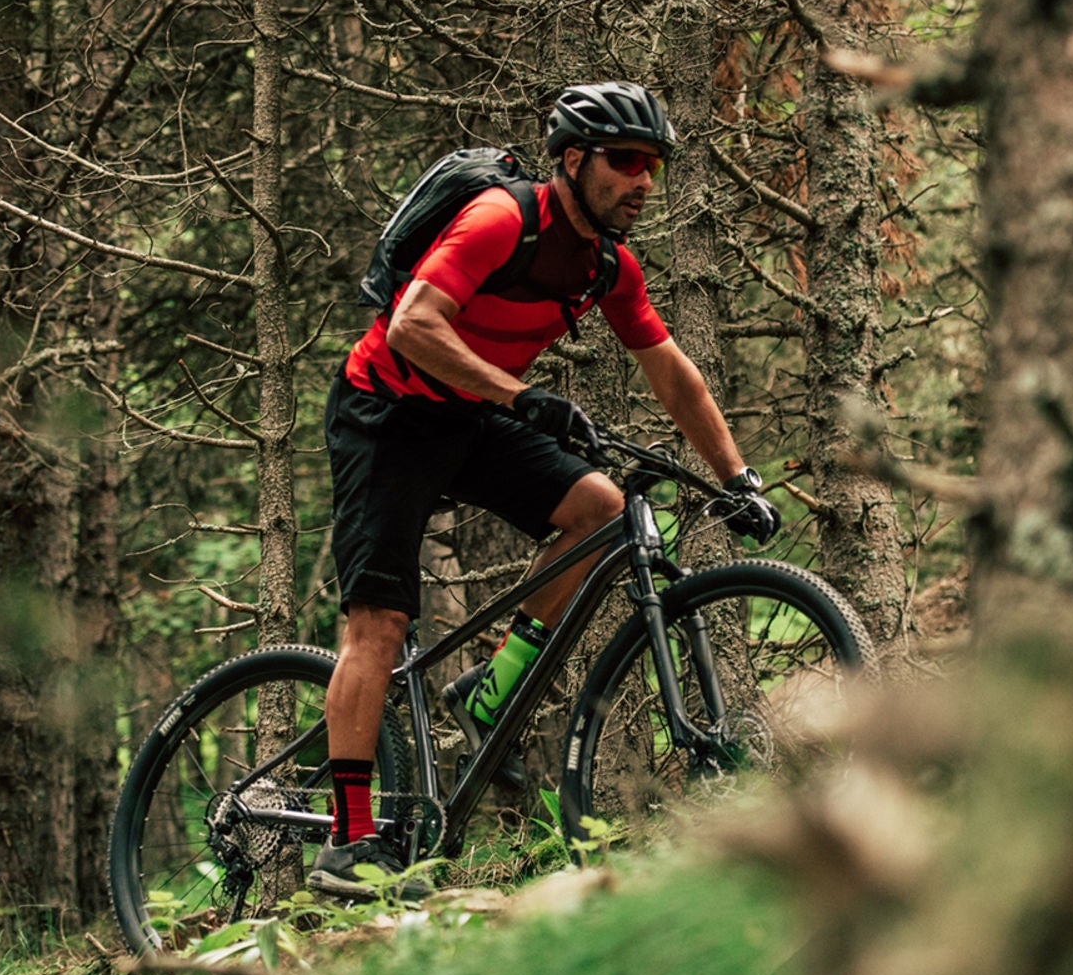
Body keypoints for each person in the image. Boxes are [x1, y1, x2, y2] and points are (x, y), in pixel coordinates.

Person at [310, 82, 777, 898]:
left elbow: (673, 373)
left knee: (599, 508)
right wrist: (522, 397)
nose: (643, 180)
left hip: (467, 416)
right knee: (379, 622)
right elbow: (413, 325)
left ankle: (489, 693)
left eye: (654, 166)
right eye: (626, 161)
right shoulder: (501, 220)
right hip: (385, 412)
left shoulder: (606, 267)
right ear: (573, 160)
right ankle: (347, 844)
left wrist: (737, 478)